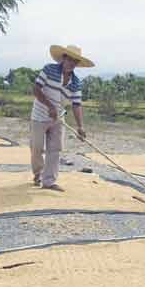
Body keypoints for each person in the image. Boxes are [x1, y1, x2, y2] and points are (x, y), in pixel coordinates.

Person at [30, 45, 95, 191]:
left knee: (55, 149)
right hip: (39, 116)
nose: (71, 63)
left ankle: (48, 182)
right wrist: (50, 106)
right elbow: (36, 89)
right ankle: (38, 175)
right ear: (64, 58)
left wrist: (80, 127)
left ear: (77, 64)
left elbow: (76, 105)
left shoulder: (76, 82)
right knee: (37, 148)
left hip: (58, 119)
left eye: (75, 61)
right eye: (69, 59)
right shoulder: (49, 69)